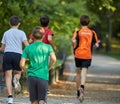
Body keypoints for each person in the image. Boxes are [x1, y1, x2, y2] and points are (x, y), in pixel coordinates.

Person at [20, 26, 56, 104]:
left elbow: (22, 64)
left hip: (31, 76)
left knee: (34, 101)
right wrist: (48, 67)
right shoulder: (48, 47)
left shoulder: (28, 48)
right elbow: (54, 59)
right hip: (43, 76)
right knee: (42, 100)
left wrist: (27, 71)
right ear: (43, 36)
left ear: (32, 36)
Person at [0, 15, 29, 104]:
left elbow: (2, 48)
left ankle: (10, 98)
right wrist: (24, 52)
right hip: (18, 55)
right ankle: (16, 79)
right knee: (17, 73)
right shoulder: (22, 33)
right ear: (19, 24)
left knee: (8, 76)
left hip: (8, 55)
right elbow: (27, 46)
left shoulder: (6, 33)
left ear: (9, 23)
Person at [71, 15, 100, 102]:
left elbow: (73, 41)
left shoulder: (77, 32)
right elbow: (96, 45)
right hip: (87, 54)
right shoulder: (92, 32)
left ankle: (78, 92)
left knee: (78, 73)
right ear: (89, 22)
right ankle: (82, 86)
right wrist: (92, 47)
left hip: (78, 54)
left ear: (80, 22)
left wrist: (74, 46)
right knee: (84, 71)